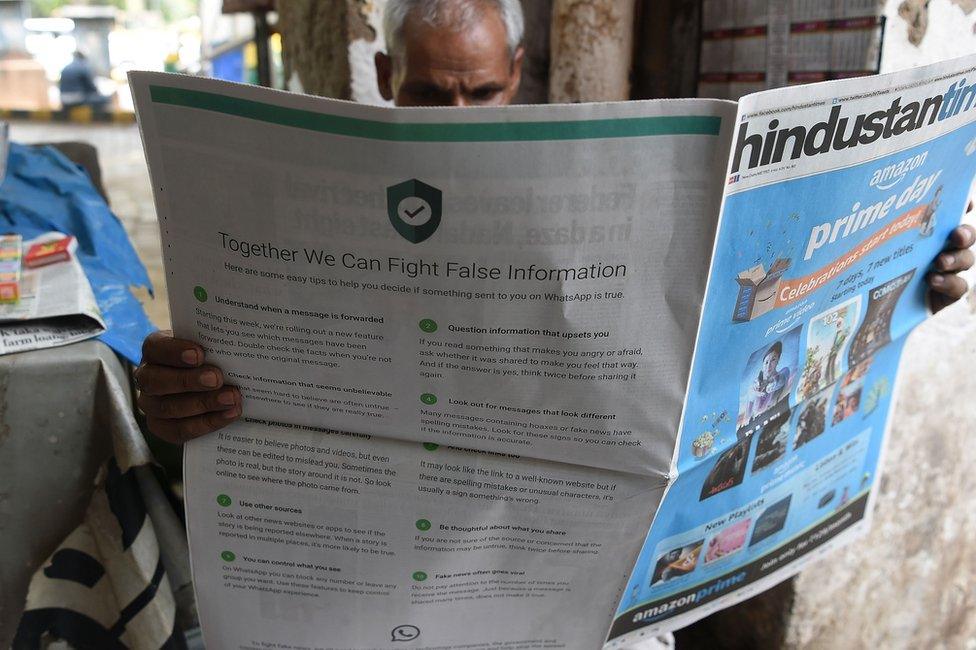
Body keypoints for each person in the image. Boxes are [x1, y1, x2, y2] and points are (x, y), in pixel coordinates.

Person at [134, 0, 976, 445]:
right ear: (387, 74)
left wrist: (902, 277)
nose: (457, 118)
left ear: (517, 72)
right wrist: (175, 404)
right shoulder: (303, 203)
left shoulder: (602, 199)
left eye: (481, 92)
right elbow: (222, 409)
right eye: (429, 94)